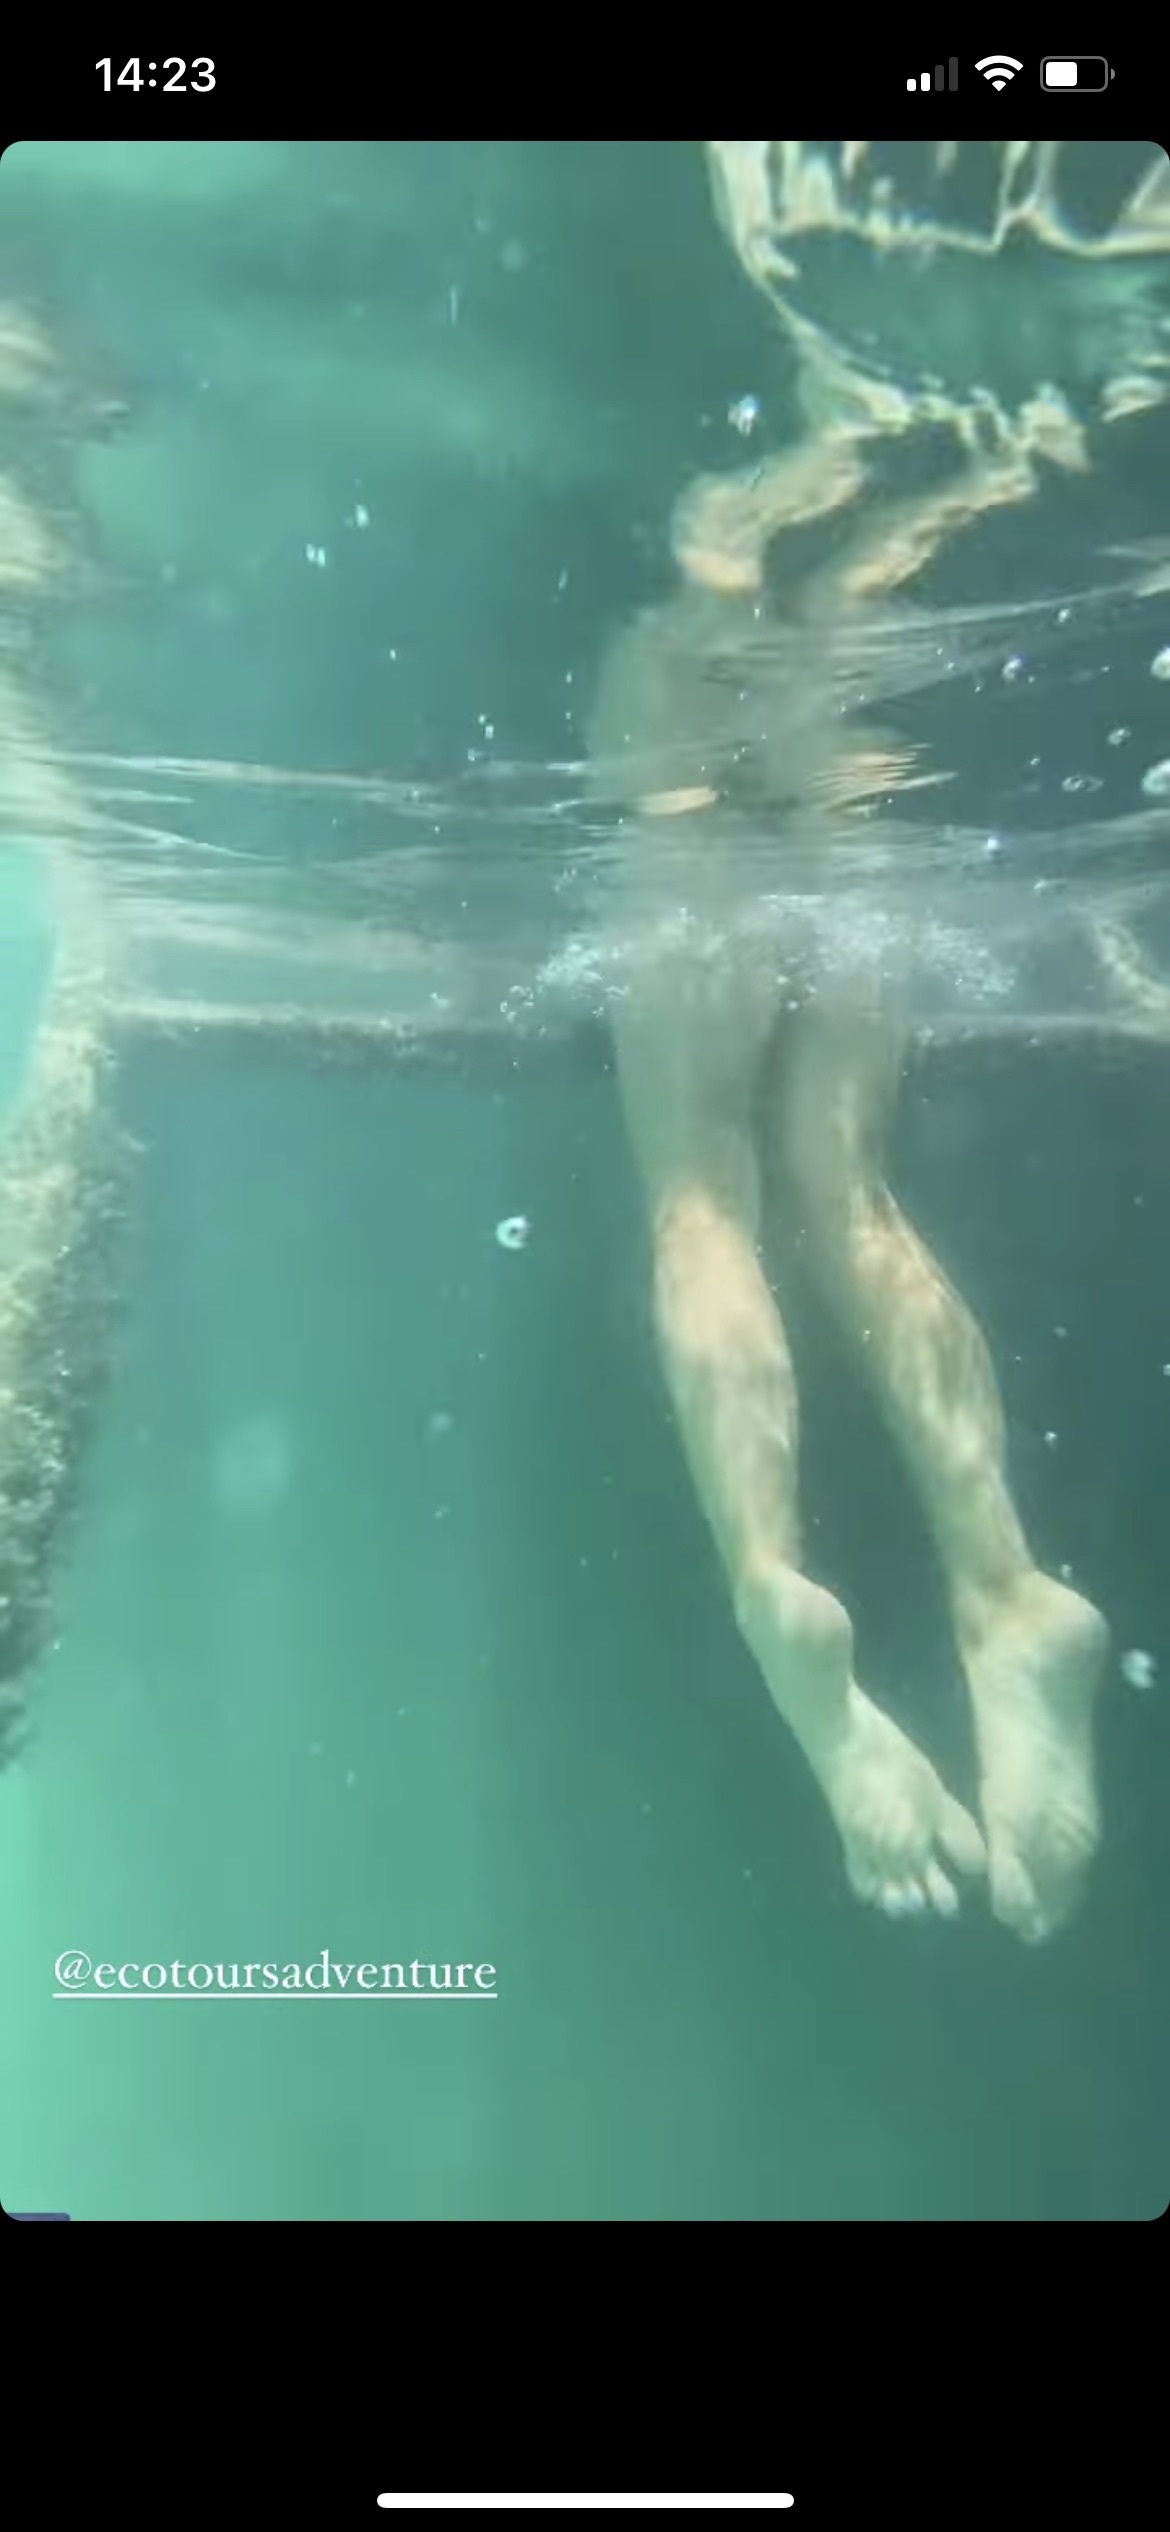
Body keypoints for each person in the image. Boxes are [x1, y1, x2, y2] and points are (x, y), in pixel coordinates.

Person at [588, 138, 1170, 1941]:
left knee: (700, 1183)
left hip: (682, 755)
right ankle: (1002, 1585)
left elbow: (718, 543)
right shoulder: (873, 552)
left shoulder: (693, 592)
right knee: (844, 1180)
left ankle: (772, 1583)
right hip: (855, 772)